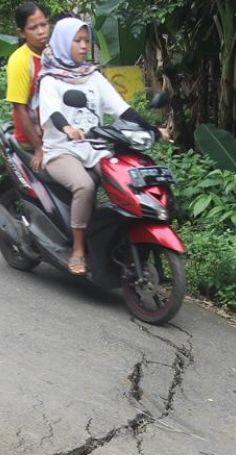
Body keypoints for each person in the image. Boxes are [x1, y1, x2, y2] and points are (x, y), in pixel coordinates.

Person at [38, 18, 168, 274]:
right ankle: (77, 249)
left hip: (94, 147)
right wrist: (67, 128)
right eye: (77, 40)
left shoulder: (92, 76)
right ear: (64, 43)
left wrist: (152, 129)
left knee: (124, 179)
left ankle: (117, 238)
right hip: (61, 150)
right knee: (85, 186)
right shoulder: (50, 79)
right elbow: (53, 112)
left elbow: (122, 109)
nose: (84, 46)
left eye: (87, 41)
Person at [5, 2, 50, 170]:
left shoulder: (54, 54)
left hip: (56, 138)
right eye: (33, 28)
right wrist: (38, 148)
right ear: (22, 33)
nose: (40, 31)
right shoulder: (20, 60)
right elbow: (19, 108)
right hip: (32, 142)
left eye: (43, 24)